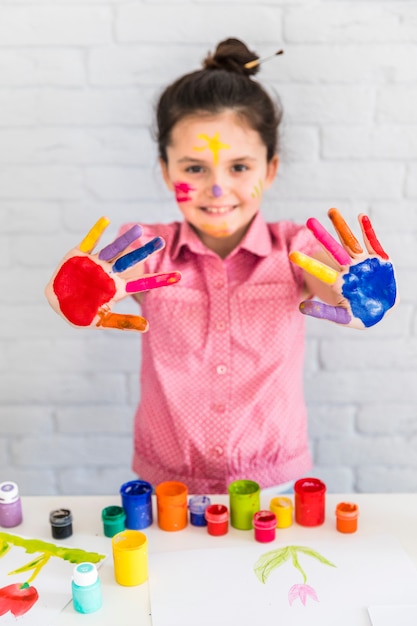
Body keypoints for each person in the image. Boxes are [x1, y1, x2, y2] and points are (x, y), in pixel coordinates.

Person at [45, 38, 398, 494]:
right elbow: (102, 286)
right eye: (194, 169)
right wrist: (72, 293)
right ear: (166, 170)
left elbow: (333, 285)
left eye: (238, 168)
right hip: (167, 486)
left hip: (272, 484)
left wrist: (357, 292)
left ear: (269, 170)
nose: (216, 189)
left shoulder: (297, 249)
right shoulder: (148, 251)